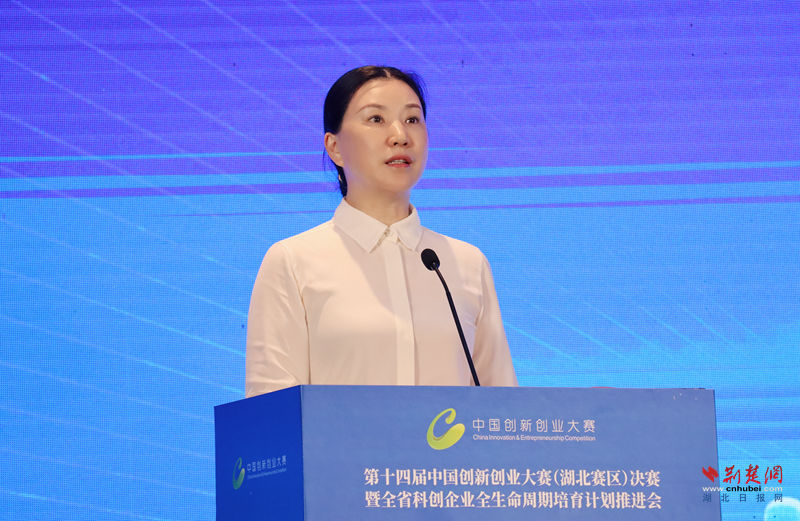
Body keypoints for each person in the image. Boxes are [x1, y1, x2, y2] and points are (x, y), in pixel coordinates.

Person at [245, 66, 517, 397]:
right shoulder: (293, 262)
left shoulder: (465, 264)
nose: (400, 135)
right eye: (376, 119)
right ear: (334, 147)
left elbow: (503, 404)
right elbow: (270, 407)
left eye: (412, 119)